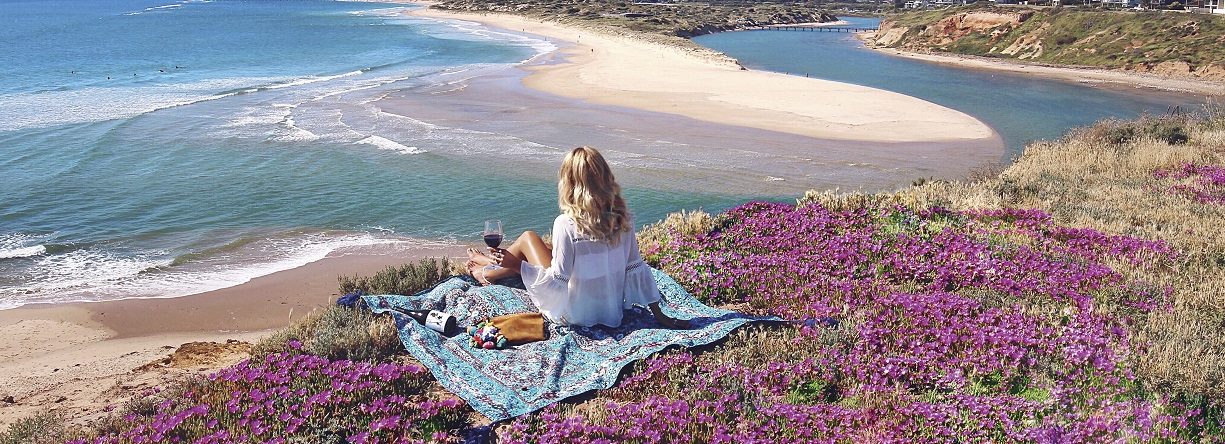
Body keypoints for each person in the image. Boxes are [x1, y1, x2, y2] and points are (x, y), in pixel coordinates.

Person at [466, 146, 688, 330]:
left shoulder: (565, 223)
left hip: (575, 313)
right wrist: (661, 316)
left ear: (569, 183)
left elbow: (556, 283)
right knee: (549, 248)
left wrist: (518, 266)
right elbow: (635, 268)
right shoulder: (623, 219)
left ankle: (487, 272)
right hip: (611, 312)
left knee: (528, 238)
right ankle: (488, 264)